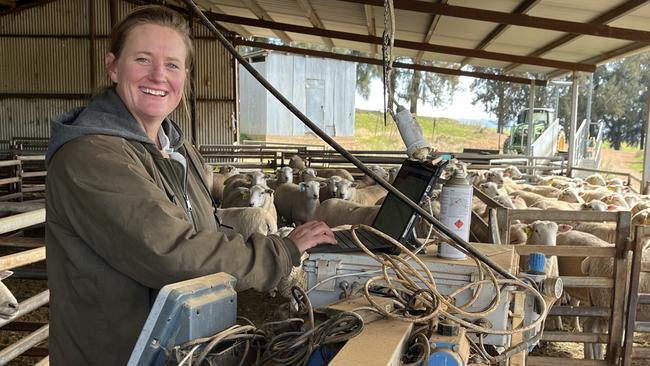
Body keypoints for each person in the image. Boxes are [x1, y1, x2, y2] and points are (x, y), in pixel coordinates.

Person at [44, 5, 336, 365]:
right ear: (112, 66)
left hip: (180, 349)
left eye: (172, 65)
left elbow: (205, 229)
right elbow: (171, 252)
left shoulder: (180, 152)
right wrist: (280, 251)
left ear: (185, 75)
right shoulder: (90, 157)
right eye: (142, 60)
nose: (157, 76)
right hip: (120, 354)